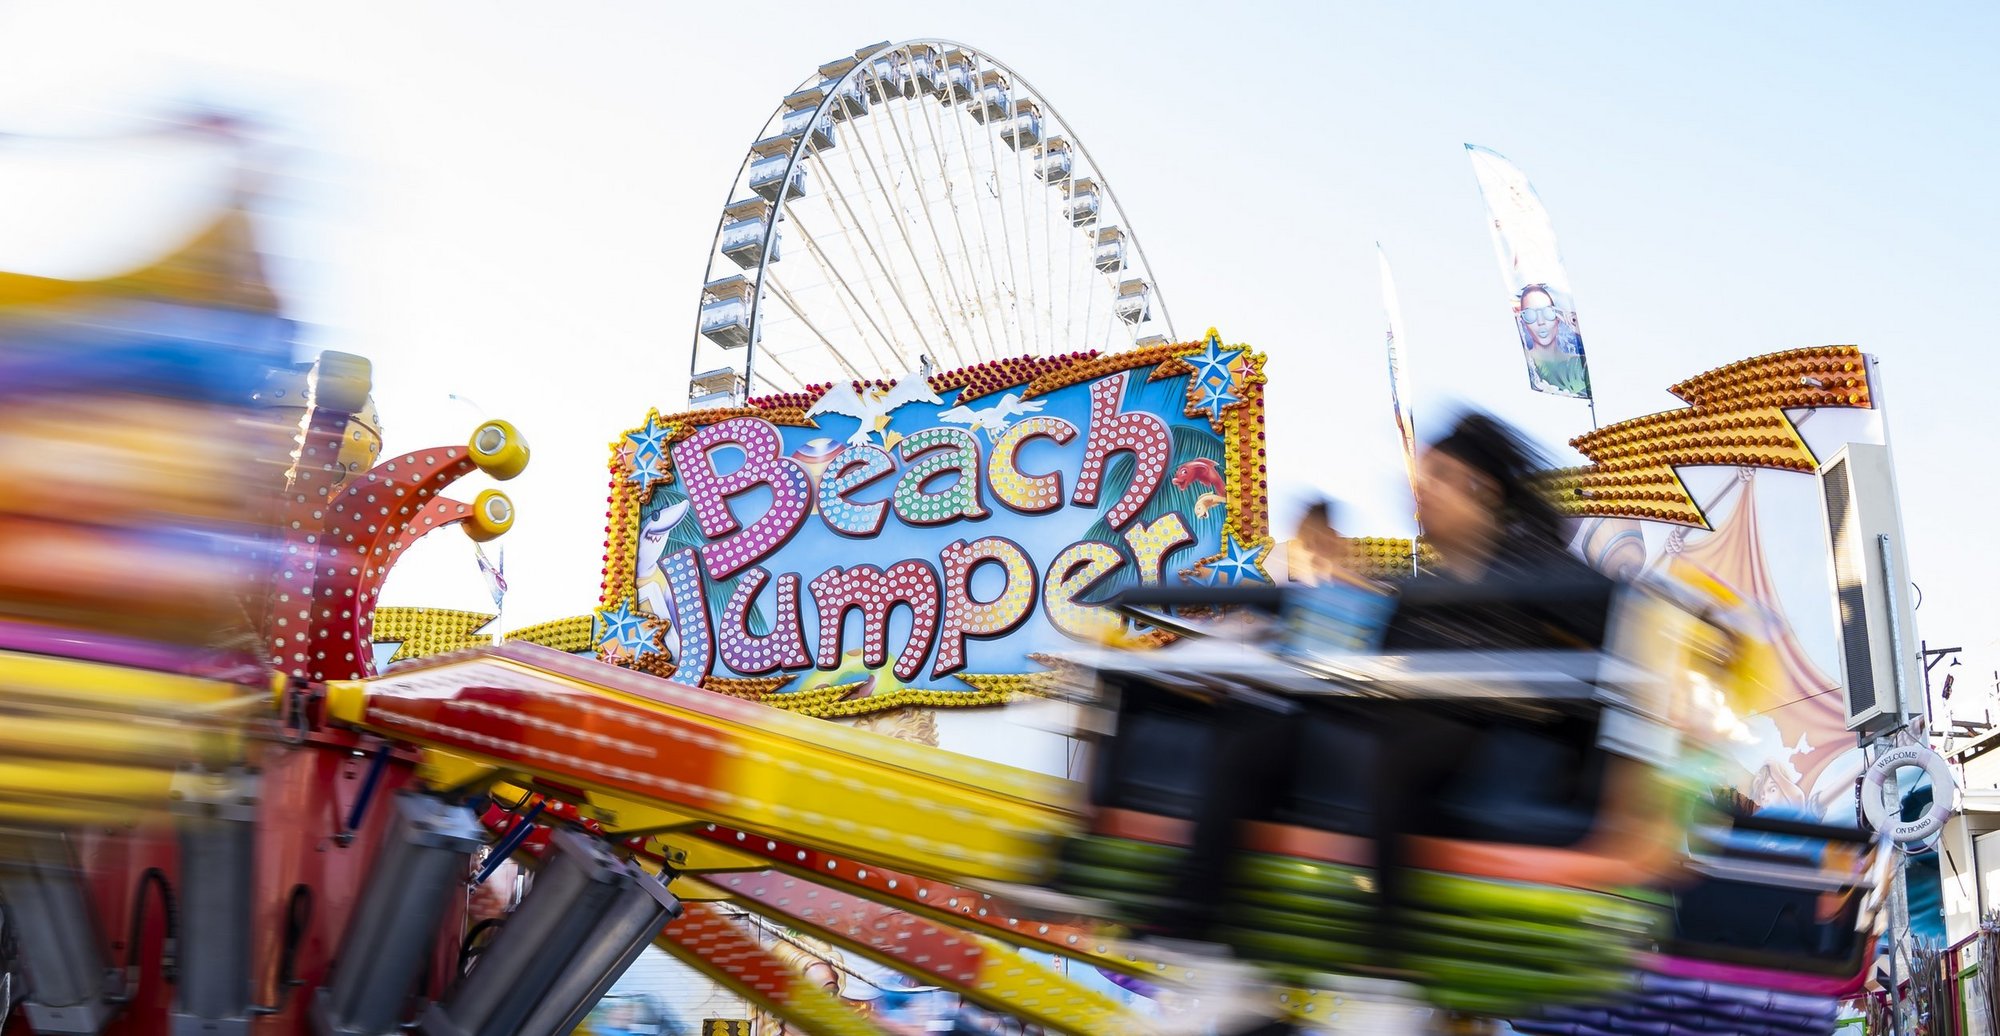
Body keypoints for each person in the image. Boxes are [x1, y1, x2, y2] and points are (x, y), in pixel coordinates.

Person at [1513, 285, 1590, 397]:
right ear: (1523, 321)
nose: (1541, 321)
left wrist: (1578, 330)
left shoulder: (1578, 365)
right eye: (1530, 314)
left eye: (1548, 312)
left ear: (1558, 317)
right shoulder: (1523, 368)